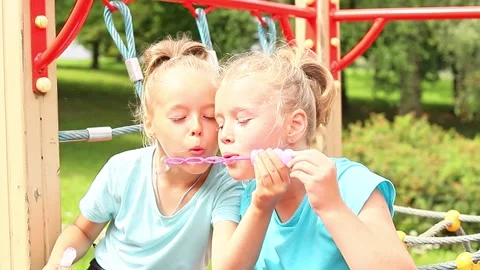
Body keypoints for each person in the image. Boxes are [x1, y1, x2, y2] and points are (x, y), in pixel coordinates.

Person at [43, 36, 243, 270]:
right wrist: (56, 263)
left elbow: (226, 263)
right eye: (179, 118)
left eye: (210, 116)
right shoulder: (123, 170)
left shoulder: (226, 185)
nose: (196, 128)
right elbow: (82, 231)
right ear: (149, 123)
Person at [213, 45, 416, 269]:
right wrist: (260, 207)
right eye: (220, 124)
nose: (224, 135)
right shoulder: (249, 195)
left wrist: (331, 207)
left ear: (294, 125)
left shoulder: (351, 184)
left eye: (242, 120)